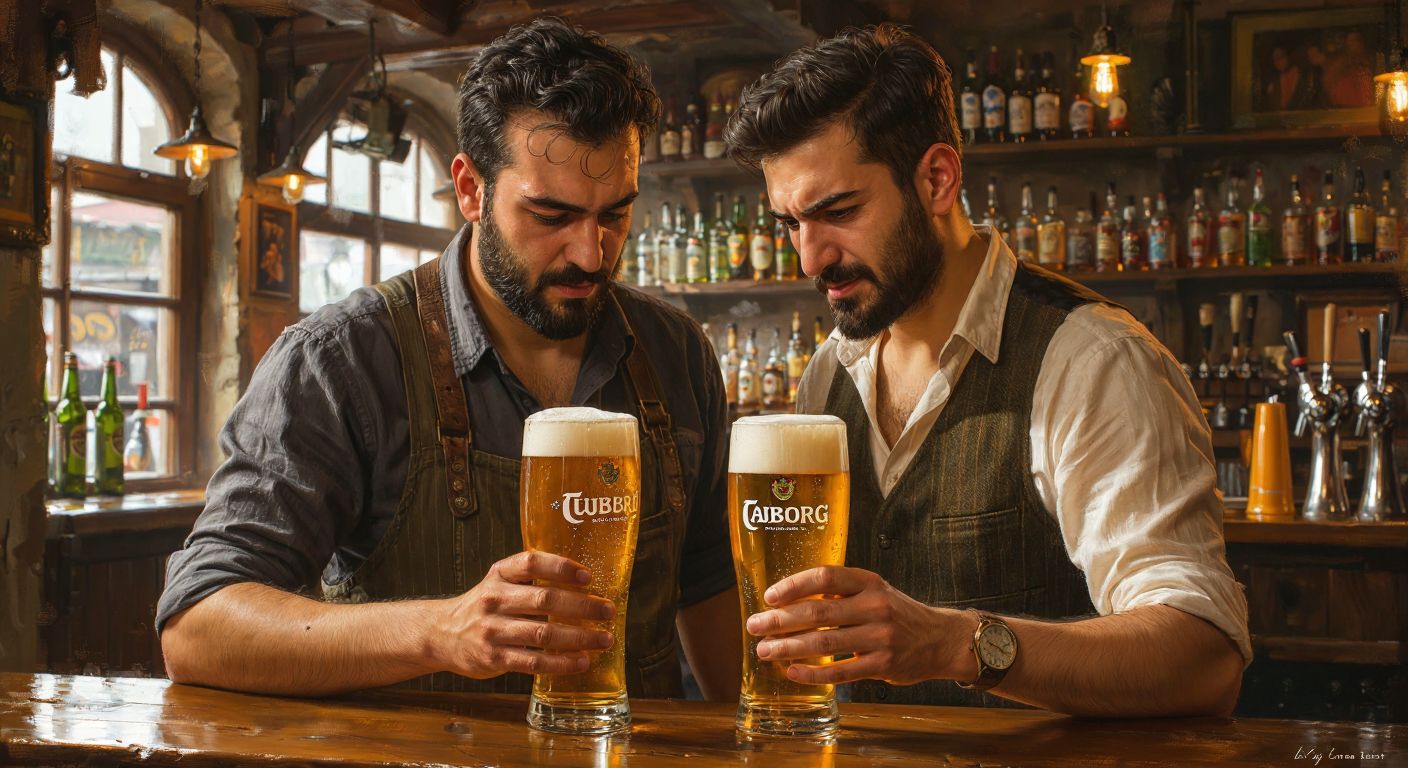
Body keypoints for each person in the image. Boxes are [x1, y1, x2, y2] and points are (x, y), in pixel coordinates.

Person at [158, 18, 740, 701]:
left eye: (615, 214)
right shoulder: (341, 360)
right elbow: (198, 626)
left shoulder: (675, 351)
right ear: (470, 189)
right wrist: (440, 630)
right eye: (551, 216)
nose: (590, 253)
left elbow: (708, 587)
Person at [723, 24, 1249, 718]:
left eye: (839, 212)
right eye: (789, 223)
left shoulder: (1090, 361)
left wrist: (957, 645)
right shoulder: (830, 372)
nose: (810, 259)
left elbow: (1202, 656)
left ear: (937, 178)